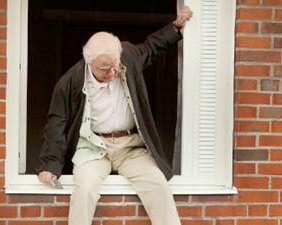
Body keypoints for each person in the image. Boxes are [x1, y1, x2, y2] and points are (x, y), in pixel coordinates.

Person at [36, 6, 193, 225]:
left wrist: (175, 26)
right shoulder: (70, 81)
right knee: (84, 191)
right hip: (93, 148)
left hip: (131, 148)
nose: (112, 72)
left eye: (115, 65)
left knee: (158, 186)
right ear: (89, 62)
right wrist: (49, 164)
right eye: (104, 68)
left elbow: (151, 47)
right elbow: (57, 123)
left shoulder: (127, 57)